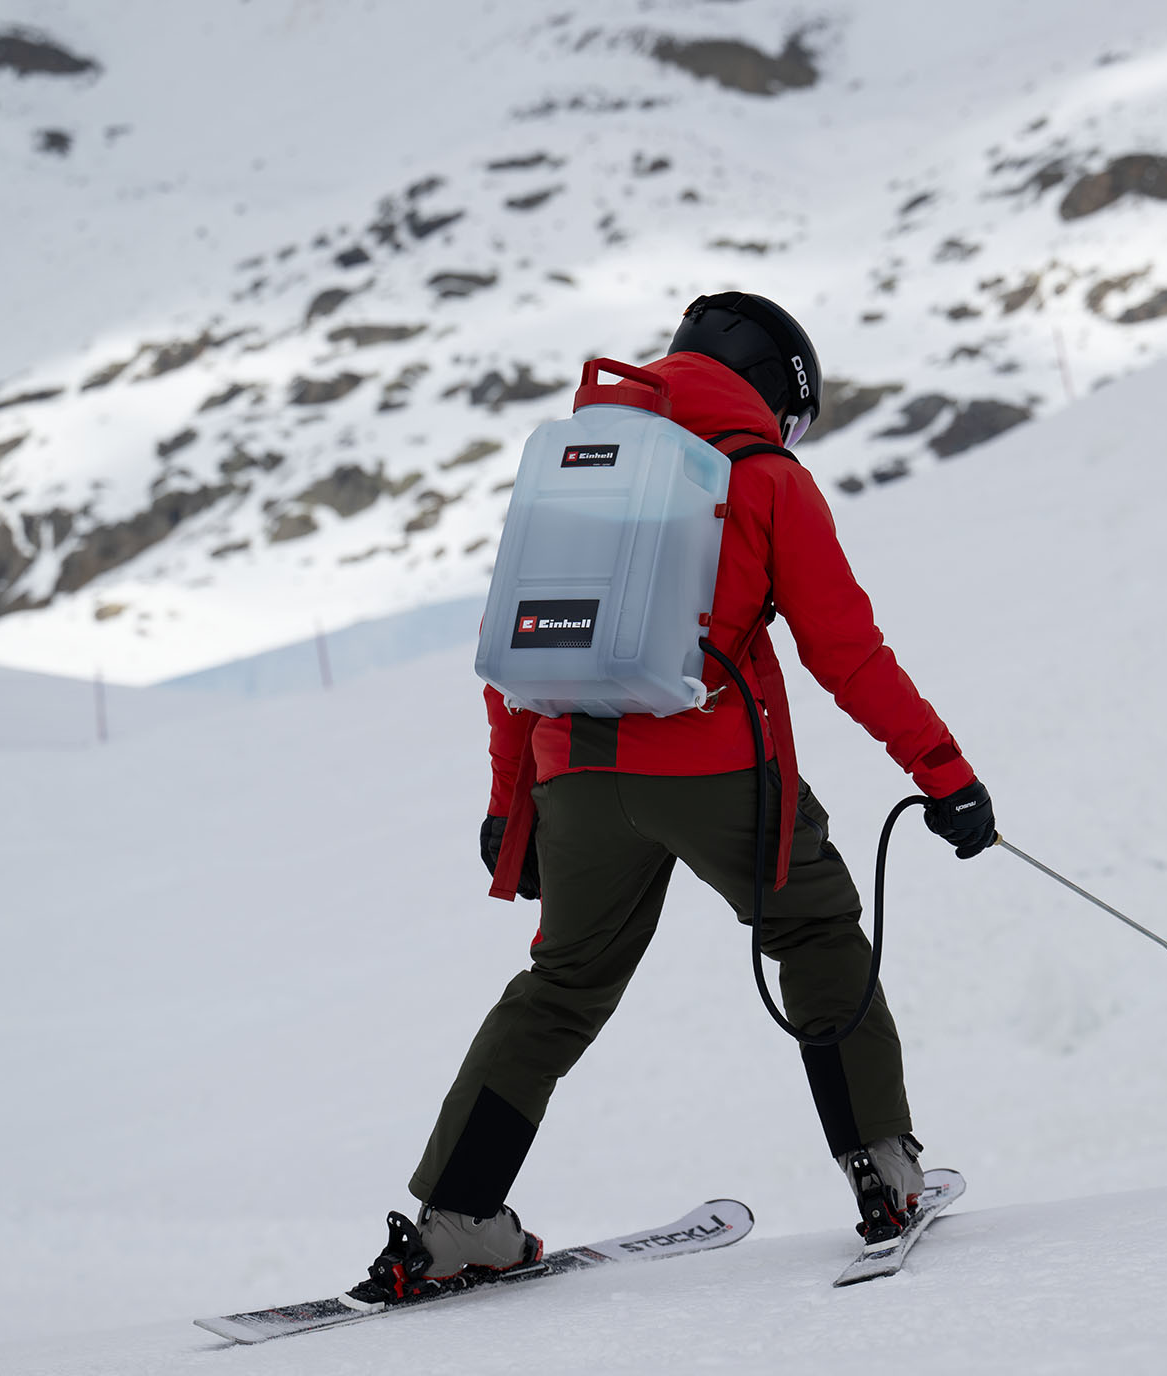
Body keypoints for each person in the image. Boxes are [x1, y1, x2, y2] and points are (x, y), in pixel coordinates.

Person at [343, 292, 995, 1306]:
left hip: (575, 774)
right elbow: (847, 654)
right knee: (816, 931)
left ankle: (458, 1221)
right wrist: (944, 774)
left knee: (560, 988)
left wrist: (509, 805)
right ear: (778, 387)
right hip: (713, 764)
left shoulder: (579, 464)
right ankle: (884, 1172)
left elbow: (516, 648)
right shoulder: (765, 476)